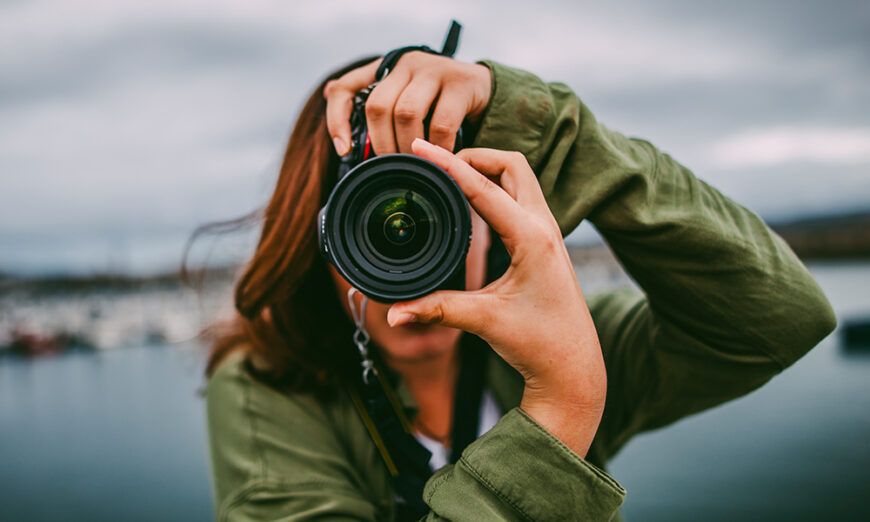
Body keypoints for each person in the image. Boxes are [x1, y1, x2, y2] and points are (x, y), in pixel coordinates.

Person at [204, 51, 836, 521]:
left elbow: (781, 319)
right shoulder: (267, 386)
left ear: (495, 220)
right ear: (317, 245)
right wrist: (560, 412)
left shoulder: (568, 341)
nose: (408, 263)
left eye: (440, 213)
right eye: (367, 225)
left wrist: (558, 129)